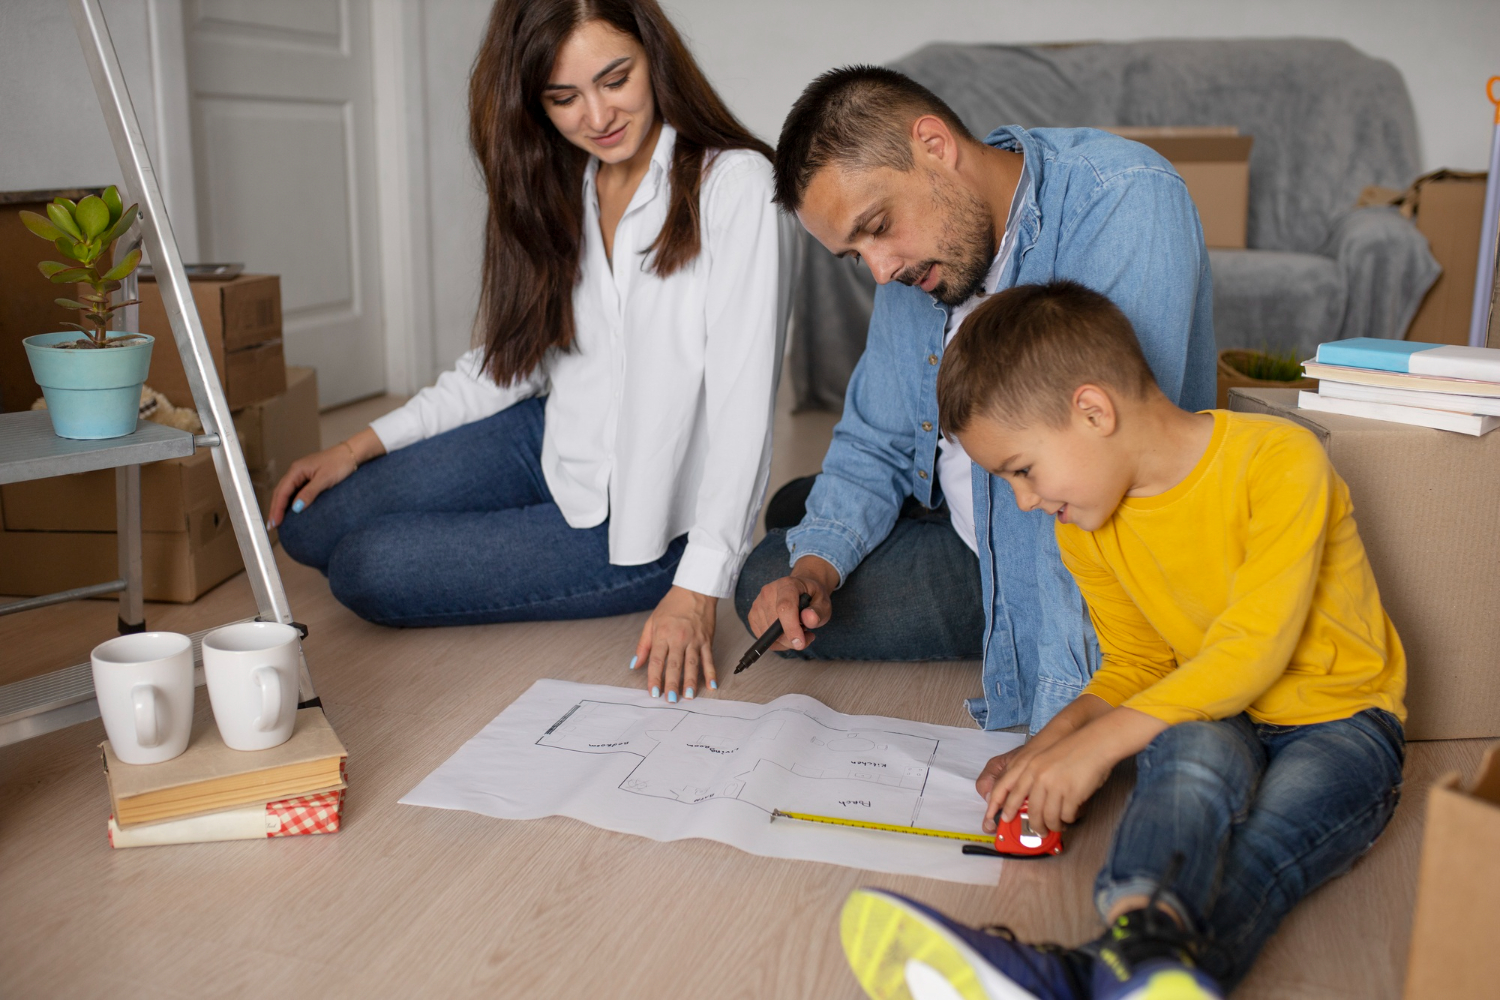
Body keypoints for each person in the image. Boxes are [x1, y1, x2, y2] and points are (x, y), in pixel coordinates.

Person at [837, 281, 1406, 1000]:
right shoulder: (1086, 526)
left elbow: (1250, 649)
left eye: (1021, 470)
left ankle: (1075, 973)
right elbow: (1138, 663)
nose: (1024, 501)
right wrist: (1050, 745)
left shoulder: (1280, 461)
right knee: (1187, 767)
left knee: (1261, 851)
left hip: (1344, 724)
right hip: (1215, 713)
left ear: (1093, 410)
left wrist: (1097, 749)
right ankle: (1130, 958)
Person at [270, 0, 783, 704]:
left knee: (364, 566)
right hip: (550, 441)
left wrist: (699, 588)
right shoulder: (561, 180)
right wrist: (358, 445)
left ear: (654, 56)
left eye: (615, 78)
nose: (597, 116)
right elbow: (508, 361)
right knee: (309, 522)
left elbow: (743, 406)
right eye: (563, 97)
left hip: (639, 522)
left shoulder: (737, 185)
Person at [738, 66, 1216, 735]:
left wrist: (1058, 724)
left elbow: (1095, 500)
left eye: (877, 225)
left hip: (1077, 550)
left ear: (935, 145)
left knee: (785, 537)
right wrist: (817, 565)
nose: (880, 271)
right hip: (971, 516)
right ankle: (876, 521)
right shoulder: (917, 263)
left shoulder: (1125, 198)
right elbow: (874, 437)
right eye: (856, 255)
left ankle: (965, 575)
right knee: (778, 571)